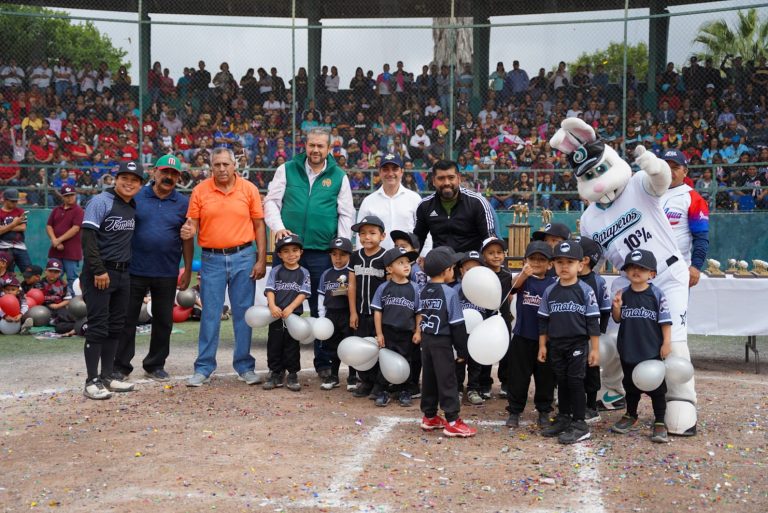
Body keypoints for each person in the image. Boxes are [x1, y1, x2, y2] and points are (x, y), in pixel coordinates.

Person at [263, 127, 355, 378]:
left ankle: (324, 363)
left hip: (323, 254)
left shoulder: (339, 176)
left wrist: (341, 247)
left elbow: (346, 213)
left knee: (323, 308)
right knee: (284, 308)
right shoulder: (287, 169)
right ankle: (280, 366)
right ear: (305, 146)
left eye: (321, 146)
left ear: (329, 149)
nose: (315, 150)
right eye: (311, 145)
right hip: (289, 252)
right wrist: (279, 228)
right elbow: (271, 201)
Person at [181, 147, 268, 387]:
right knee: (210, 314)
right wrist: (189, 231)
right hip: (212, 259)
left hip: (244, 256)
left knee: (243, 314)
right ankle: (204, 367)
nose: (221, 169)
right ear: (211, 168)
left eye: (225, 164)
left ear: (234, 166)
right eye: (216, 165)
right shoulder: (200, 191)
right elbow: (192, 226)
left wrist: (261, 259)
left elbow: (259, 226)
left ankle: (245, 366)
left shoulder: (248, 189)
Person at [113, 155, 193, 382]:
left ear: (178, 177)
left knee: (163, 321)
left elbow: (187, 238)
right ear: (154, 172)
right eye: (165, 172)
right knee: (127, 319)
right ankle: (121, 366)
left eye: (174, 174)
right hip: (133, 268)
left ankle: (155, 364)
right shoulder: (136, 195)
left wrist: (187, 269)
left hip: (166, 270)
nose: (169, 177)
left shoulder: (183, 203)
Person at [79, 160, 144, 400]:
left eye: (134, 180)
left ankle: (107, 376)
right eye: (124, 177)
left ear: (140, 185)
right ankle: (91, 381)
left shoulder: (132, 205)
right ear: (115, 179)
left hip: (122, 273)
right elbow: (88, 239)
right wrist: (98, 270)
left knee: (116, 325)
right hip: (100, 273)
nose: (129, 182)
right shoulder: (100, 201)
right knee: (98, 326)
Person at [537, 241, 600, 444]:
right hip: (556, 344)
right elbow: (543, 320)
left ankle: (580, 423)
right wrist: (542, 345)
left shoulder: (585, 290)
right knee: (561, 380)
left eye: (570, 262)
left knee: (575, 381)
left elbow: (592, 321)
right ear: (553, 264)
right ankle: (564, 417)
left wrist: (595, 349)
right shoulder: (550, 291)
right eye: (559, 262)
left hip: (577, 344)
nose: (564, 266)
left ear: (580, 265)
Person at [610, 249, 672, 444]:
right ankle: (631, 414)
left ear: (652, 273)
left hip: (651, 350)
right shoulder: (624, 294)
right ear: (626, 272)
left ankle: (660, 420)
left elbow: (665, 321)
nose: (636, 271)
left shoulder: (656, 294)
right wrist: (617, 307)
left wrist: (666, 342)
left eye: (642, 268)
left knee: (657, 388)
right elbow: (617, 319)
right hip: (628, 348)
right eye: (632, 267)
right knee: (630, 386)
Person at [418, 246, 476, 438]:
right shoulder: (450, 293)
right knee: (447, 380)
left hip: (427, 341)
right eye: (452, 267)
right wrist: (462, 351)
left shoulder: (424, 290)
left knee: (430, 378)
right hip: (442, 342)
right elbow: (457, 324)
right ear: (446, 271)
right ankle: (452, 420)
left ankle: (429, 416)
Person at [505, 241, 556, 429]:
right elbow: (512, 289)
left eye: (541, 260)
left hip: (546, 338)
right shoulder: (523, 279)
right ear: (525, 260)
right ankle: (515, 410)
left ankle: (544, 410)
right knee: (518, 376)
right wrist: (523, 274)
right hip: (522, 336)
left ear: (550, 264)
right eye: (532, 258)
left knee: (545, 377)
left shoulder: (553, 283)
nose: (536, 262)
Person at [371, 247, 422, 407]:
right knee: (385, 361)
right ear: (389, 269)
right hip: (388, 331)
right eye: (401, 263)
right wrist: (379, 333)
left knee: (406, 362)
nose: (406, 265)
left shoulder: (414, 288)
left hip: (406, 332)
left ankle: (404, 390)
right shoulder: (384, 287)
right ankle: (383, 390)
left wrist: (418, 331)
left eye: (408, 262)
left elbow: (418, 312)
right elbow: (378, 312)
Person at [262, 235, 312, 392]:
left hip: (293, 316)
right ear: (279, 255)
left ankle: (292, 374)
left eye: (295, 250)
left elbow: (303, 293)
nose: (291, 254)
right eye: (286, 251)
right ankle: (275, 373)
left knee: (292, 346)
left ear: (301, 252)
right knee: (274, 345)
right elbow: (270, 290)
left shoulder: (304, 272)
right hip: (276, 315)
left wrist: (290, 308)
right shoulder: (276, 271)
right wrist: (272, 306)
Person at [414, 160, 496, 253]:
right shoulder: (425, 205)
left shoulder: (477, 202)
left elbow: (489, 238)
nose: (446, 183)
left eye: (451, 177)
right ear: (433, 181)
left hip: (471, 263)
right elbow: (418, 239)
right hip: (442, 264)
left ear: (459, 178)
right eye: (441, 178)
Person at [347, 215, 387, 398]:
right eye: (362, 233)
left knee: (380, 348)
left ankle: (380, 384)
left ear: (382, 236)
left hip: (380, 315)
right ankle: (366, 381)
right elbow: (352, 285)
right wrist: (353, 312)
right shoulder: (355, 256)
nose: (366, 237)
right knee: (363, 348)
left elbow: (389, 286)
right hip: (361, 313)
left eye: (372, 233)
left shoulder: (386, 257)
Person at [357, 154, 427, 252]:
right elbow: (360, 233)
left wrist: (424, 255)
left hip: (407, 261)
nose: (390, 173)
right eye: (385, 169)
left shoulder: (414, 199)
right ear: (379, 172)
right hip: (377, 261)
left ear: (402, 172)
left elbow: (424, 230)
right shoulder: (368, 201)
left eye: (395, 169)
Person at [576, 236, 613, 422]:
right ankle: (575, 404)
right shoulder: (566, 280)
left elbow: (605, 310)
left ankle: (591, 406)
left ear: (585, 260)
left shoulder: (598, 282)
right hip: (572, 336)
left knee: (591, 371)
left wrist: (598, 335)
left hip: (590, 336)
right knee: (573, 371)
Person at [660, 150, 709, 287]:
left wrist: (696, 266)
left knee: (675, 309)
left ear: (685, 172)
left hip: (676, 269)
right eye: (665, 167)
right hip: (646, 269)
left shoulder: (693, 198)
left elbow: (701, 237)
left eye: (675, 168)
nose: (670, 172)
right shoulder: (648, 193)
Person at [479, 236, 514, 399]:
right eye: (491, 253)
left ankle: (506, 382)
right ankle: (484, 383)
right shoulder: (481, 274)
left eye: (499, 252)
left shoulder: (507, 275)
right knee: (485, 350)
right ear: (484, 255)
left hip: (503, 320)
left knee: (506, 351)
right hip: (484, 319)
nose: (496, 256)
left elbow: (511, 294)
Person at [317, 236, 353, 390]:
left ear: (350, 256)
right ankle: (334, 376)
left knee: (350, 345)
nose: (338, 258)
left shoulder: (351, 272)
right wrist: (322, 316)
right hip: (331, 315)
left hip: (347, 314)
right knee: (332, 347)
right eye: (334, 254)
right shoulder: (326, 274)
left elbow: (356, 296)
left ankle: (352, 377)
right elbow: (321, 295)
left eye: (342, 255)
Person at [454, 250, 489, 406]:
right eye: (468, 269)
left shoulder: (485, 291)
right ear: (461, 271)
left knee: (475, 363)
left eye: (476, 270)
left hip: (478, 333)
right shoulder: (456, 289)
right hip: (460, 333)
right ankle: (457, 388)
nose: (472, 274)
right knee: (459, 361)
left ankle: (473, 389)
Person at [46, 184, 83, 298]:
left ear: (75, 195)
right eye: (67, 195)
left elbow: (75, 228)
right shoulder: (57, 210)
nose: (70, 197)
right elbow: (49, 226)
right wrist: (54, 240)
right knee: (53, 276)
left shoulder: (79, 210)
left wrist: (58, 240)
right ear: (62, 197)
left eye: (72, 195)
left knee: (72, 277)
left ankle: (73, 302)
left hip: (71, 251)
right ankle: (53, 298)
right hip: (56, 250)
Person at [0, 188, 32, 274]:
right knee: (7, 274)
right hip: (3, 248)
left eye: (16, 201)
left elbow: (22, 227)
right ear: (5, 200)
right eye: (12, 201)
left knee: (29, 273)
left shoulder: (20, 211)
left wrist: (5, 227)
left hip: (20, 247)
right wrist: (14, 223)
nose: (15, 203)